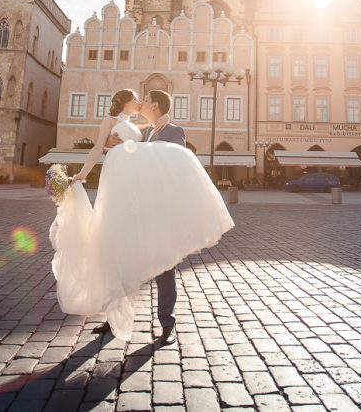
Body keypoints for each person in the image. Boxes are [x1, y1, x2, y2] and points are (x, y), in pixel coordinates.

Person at [49, 88, 234, 345]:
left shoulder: (173, 132)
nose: (142, 102)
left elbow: (173, 170)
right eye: (139, 98)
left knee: (165, 265)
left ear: (155, 105)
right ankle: (114, 318)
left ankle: (167, 323)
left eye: (145, 99)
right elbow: (132, 157)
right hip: (137, 207)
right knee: (123, 257)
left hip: (161, 210)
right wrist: (109, 146)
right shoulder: (145, 132)